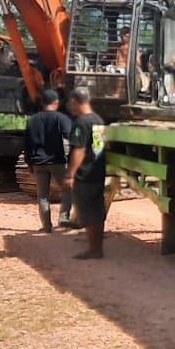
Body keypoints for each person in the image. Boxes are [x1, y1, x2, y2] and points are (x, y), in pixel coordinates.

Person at [64, 86, 108, 260]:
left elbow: (79, 150)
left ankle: (93, 250)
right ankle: (98, 248)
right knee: (97, 212)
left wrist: (70, 175)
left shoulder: (81, 123)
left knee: (87, 213)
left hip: (84, 175)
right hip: (97, 172)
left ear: (75, 102)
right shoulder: (98, 120)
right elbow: (99, 147)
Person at [24, 88, 73, 232]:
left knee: (42, 196)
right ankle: (64, 218)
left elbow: (27, 144)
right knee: (67, 190)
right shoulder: (61, 118)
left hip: (38, 163)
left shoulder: (32, 120)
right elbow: (70, 135)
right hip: (57, 161)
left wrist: (29, 163)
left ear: (42, 102)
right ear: (56, 102)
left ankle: (46, 226)